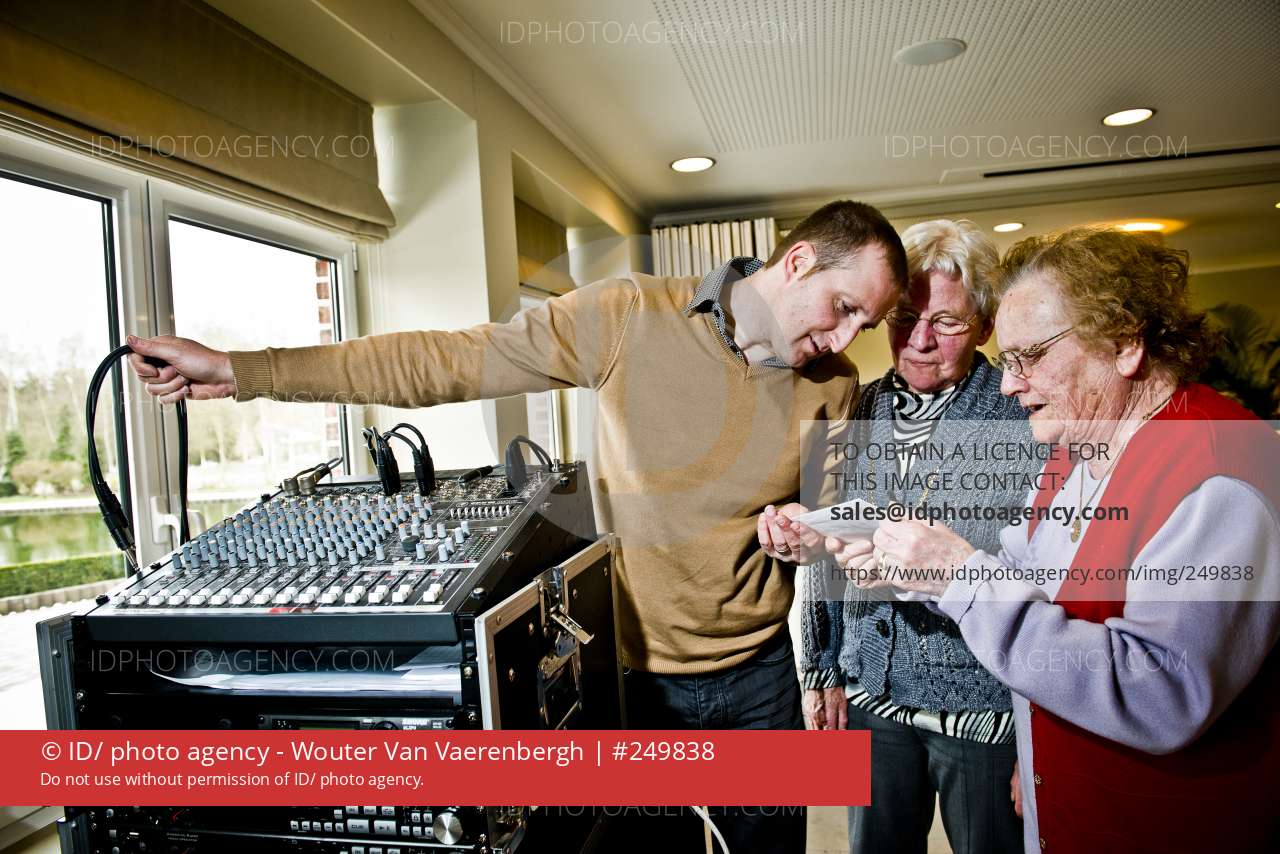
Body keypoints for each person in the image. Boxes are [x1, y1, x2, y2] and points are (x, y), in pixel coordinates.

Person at [128, 200, 908, 853]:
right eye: (844, 309)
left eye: (863, 326)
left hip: (761, 682)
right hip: (632, 682)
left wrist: (809, 534)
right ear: (799, 262)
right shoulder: (629, 314)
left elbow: (830, 522)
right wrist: (243, 371)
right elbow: (447, 361)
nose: (846, 341)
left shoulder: (835, 385)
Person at [825, 227, 1280, 852]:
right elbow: (1021, 583)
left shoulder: (1218, 469)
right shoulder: (1076, 445)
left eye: (1029, 356)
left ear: (1123, 343)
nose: (1008, 384)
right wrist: (916, 571)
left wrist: (960, 576)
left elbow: (1163, 694)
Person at [760, 219, 1033, 853]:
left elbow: (1045, 573)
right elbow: (825, 547)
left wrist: (1036, 733)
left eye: (948, 322)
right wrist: (822, 666)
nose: (920, 339)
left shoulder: (1019, 413)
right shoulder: (852, 405)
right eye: (905, 317)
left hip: (981, 706)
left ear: (984, 328)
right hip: (872, 695)